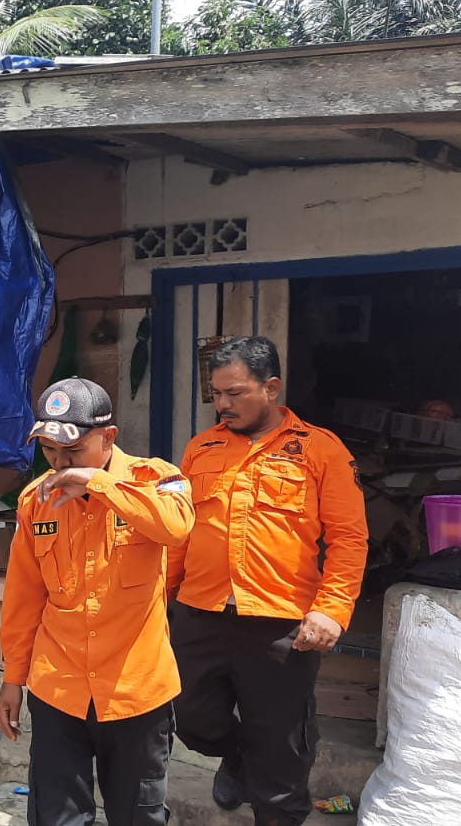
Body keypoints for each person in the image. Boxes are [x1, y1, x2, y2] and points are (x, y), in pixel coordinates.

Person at [169, 336, 368, 826]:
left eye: (234, 393)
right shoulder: (201, 448)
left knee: (279, 755)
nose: (223, 405)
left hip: (281, 623)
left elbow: (349, 539)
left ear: (271, 387)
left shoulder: (320, 450)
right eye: (216, 394)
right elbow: (178, 532)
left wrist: (332, 610)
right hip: (199, 614)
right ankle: (236, 754)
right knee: (190, 719)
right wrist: (160, 601)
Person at [0, 378, 194, 826]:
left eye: (73, 452)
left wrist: (99, 483)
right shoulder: (37, 501)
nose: (61, 464)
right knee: (57, 817)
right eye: (49, 452)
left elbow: (176, 527)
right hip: (57, 690)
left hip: (135, 693)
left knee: (138, 816)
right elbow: (25, 597)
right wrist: (13, 678)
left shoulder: (157, 480)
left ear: (108, 438)